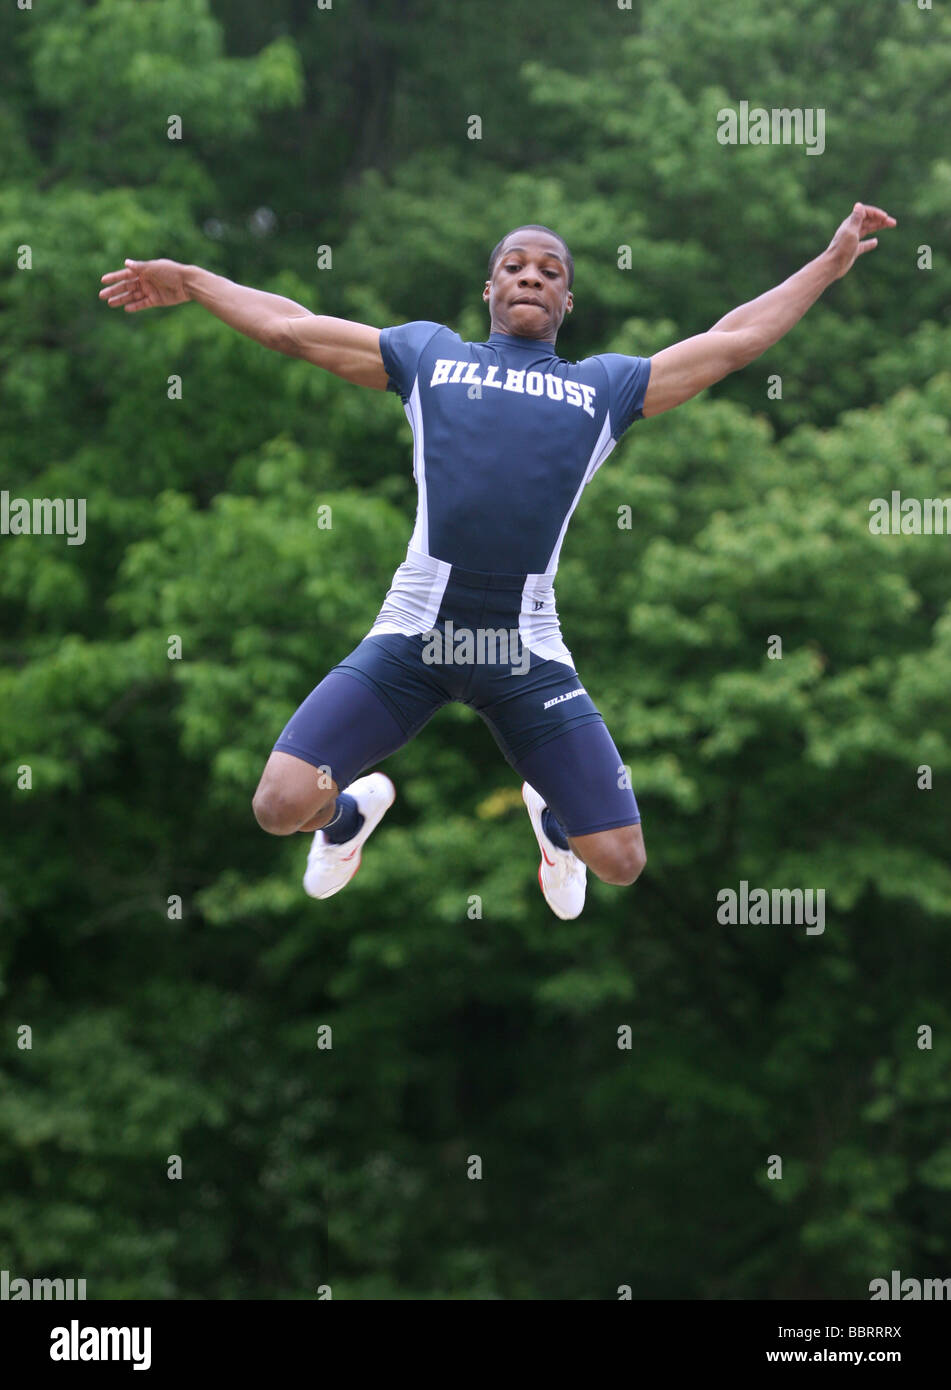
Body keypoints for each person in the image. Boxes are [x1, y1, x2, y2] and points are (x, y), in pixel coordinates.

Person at [100, 203, 895, 919]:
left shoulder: (603, 390)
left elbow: (732, 342)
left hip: (523, 653)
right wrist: (196, 279)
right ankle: (347, 819)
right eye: (514, 265)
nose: (530, 276)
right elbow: (291, 326)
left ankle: (553, 822)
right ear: (488, 289)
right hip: (415, 638)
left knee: (618, 862)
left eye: (550, 271)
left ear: (566, 303)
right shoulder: (427, 359)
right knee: (279, 805)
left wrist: (829, 261)